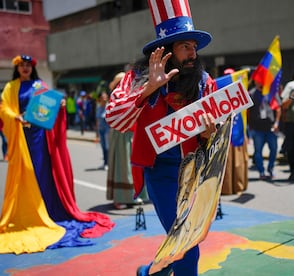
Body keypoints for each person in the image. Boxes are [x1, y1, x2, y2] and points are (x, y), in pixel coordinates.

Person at [105, 1, 217, 275]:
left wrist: (209, 133)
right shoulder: (136, 77)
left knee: (181, 240)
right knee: (187, 244)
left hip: (196, 174)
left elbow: (220, 130)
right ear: (167, 50)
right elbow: (114, 119)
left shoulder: (204, 82)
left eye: (194, 46)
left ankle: (151, 271)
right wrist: (148, 89)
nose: (193, 53)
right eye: (185, 47)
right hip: (161, 174)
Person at [0, 55, 114, 254]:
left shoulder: (39, 84)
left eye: (28, 65)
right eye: (22, 66)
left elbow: (48, 106)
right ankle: (30, 214)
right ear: (17, 68)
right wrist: (15, 117)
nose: (25, 68)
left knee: (42, 174)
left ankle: (49, 212)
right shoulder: (11, 87)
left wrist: (59, 107)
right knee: (26, 175)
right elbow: (3, 109)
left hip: (39, 138)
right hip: (21, 138)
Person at [106, 71, 149, 209]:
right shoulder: (115, 98)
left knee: (134, 166)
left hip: (132, 133)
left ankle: (134, 195)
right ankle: (120, 198)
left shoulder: (131, 95)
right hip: (121, 134)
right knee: (122, 166)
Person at [221, 68, 249, 194]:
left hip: (238, 133)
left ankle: (238, 186)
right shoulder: (220, 95)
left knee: (238, 162)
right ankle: (226, 188)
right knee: (226, 163)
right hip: (225, 134)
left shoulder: (241, 94)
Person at [248, 79, 281, 180]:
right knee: (258, 152)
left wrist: (276, 123)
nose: (260, 83)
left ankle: (270, 169)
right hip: (257, 129)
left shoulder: (271, 92)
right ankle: (261, 171)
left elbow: (278, 109)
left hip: (271, 127)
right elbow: (247, 111)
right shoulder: (251, 94)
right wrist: (250, 126)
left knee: (274, 149)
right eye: (258, 81)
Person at [95, 91, 110, 170]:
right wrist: (97, 133)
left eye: (105, 96)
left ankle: (108, 163)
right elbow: (97, 121)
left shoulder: (109, 107)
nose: (104, 98)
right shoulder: (98, 108)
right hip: (101, 130)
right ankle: (105, 162)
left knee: (107, 147)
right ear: (99, 98)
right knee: (103, 147)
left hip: (107, 130)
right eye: (103, 97)